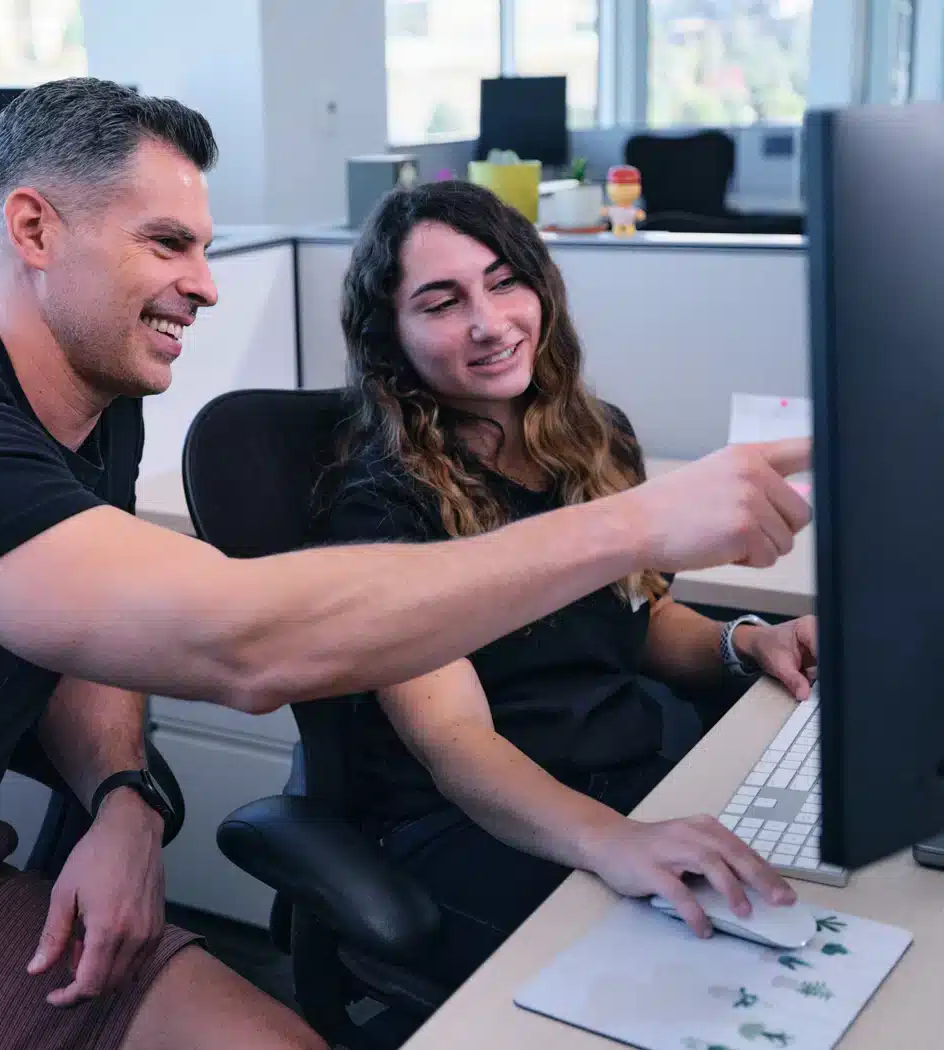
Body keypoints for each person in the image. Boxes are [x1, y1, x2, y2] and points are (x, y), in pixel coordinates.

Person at [0, 79, 809, 1050]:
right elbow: (237, 644)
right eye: (168, 242)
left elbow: (98, 635)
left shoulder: (90, 410)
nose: (205, 282)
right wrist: (639, 523)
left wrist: (121, 804)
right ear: (34, 229)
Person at [313, 178, 820, 988]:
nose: (489, 322)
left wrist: (743, 643)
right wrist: (612, 840)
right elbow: (457, 747)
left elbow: (634, 618)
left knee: (795, 923)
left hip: (622, 784)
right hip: (478, 824)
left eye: (505, 281)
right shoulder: (382, 502)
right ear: (389, 338)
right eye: (442, 302)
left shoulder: (594, 437)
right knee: (700, 985)